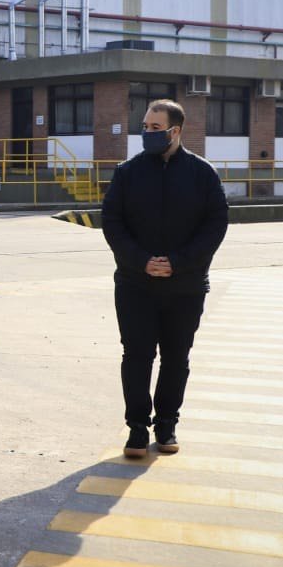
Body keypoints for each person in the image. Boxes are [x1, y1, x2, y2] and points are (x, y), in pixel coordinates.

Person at [101, 98, 228, 459]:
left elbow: (215, 225)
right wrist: (142, 262)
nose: (147, 133)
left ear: (176, 130)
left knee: (176, 358)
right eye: (144, 126)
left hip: (185, 286)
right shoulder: (128, 173)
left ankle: (167, 424)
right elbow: (112, 223)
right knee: (136, 355)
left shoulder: (202, 174)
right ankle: (138, 429)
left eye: (155, 128)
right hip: (135, 284)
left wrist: (178, 263)